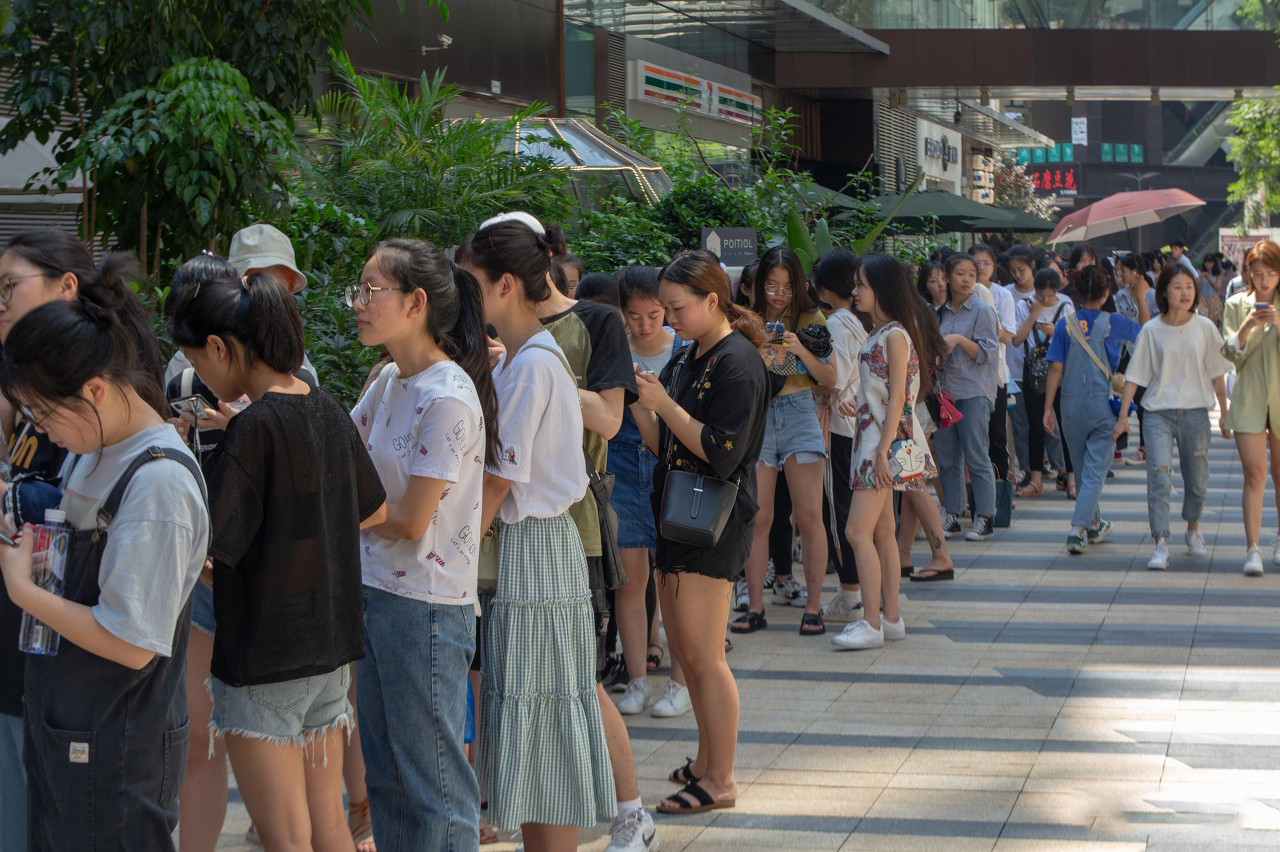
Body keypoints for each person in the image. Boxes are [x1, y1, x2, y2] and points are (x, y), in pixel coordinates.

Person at [165, 255, 388, 851]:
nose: (202, 378)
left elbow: (214, 552)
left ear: (219, 346)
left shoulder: (252, 428)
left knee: (286, 839)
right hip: (330, 656)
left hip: (263, 660)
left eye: (195, 363)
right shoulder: (327, 408)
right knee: (330, 827)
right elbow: (376, 511)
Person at [0, 296, 208, 851]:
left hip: (117, 754)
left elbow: (130, 641)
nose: (42, 431)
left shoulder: (158, 483)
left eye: (44, 414)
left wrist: (23, 589)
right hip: (72, 735)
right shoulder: (94, 447)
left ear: (93, 389)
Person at [457, 221, 616, 850]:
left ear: (503, 286)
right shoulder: (529, 357)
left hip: (536, 551)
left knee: (540, 718)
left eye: (470, 285)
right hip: (544, 550)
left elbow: (499, 479)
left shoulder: (530, 364)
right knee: (542, 721)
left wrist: (448, 546)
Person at [347, 239, 500, 850]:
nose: (357, 304)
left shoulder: (448, 397)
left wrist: (337, 509)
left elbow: (411, 521)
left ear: (415, 303)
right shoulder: (388, 380)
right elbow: (346, 456)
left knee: (434, 787)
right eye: (357, 290)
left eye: (370, 291)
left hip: (427, 610)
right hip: (376, 592)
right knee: (385, 779)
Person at [630, 249, 769, 815]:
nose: (668, 319)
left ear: (713, 300)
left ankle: (721, 777)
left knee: (705, 657)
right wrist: (643, 403)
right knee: (691, 652)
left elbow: (720, 453)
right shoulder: (691, 356)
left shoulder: (738, 362)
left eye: (676, 308)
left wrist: (662, 402)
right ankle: (708, 760)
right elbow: (666, 443)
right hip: (678, 510)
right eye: (664, 309)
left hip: (712, 519)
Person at [833, 253, 937, 649]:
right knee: (881, 533)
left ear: (883, 288)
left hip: (880, 444)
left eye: (861, 284)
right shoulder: (886, 332)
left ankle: (873, 622)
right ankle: (889, 619)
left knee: (857, 531)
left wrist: (882, 449)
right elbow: (886, 394)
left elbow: (898, 398)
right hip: (878, 440)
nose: (855, 291)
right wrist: (858, 404)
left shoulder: (893, 334)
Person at [731, 246, 835, 637]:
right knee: (759, 518)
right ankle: (755, 605)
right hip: (758, 418)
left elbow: (830, 378)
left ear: (800, 286)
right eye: (771, 285)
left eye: (787, 287)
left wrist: (799, 349)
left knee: (809, 518)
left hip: (798, 412)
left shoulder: (811, 318)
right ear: (757, 285)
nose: (779, 294)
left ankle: (813, 606)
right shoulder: (744, 319)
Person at [1114, 263, 1230, 570]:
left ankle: (1193, 529)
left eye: (1189, 287)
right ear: (1164, 291)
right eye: (1178, 287)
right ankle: (1161, 542)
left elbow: (1218, 374)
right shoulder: (1151, 330)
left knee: (1197, 479)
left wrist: (1225, 412)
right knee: (1159, 476)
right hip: (1157, 414)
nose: (1185, 293)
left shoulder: (1204, 328)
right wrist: (1123, 416)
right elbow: (1135, 376)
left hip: (1195, 412)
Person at [610, 266, 683, 715]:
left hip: (669, 462)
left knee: (670, 576)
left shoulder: (684, 348)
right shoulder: (613, 349)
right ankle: (637, 679)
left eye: (653, 314)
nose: (644, 325)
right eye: (634, 316)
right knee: (631, 577)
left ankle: (680, 680)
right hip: (620, 459)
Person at [1042, 266, 1142, 554]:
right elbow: (1148, 333)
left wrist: (1048, 408)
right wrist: (1141, 293)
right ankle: (1078, 529)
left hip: (1069, 404)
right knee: (1095, 472)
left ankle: (1095, 524)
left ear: (1076, 291)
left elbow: (1055, 368)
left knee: (1084, 469)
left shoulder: (1064, 324)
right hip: (1103, 405)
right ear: (1106, 292)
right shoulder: (1115, 322)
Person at [811, 249, 867, 621]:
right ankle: (863, 591)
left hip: (840, 428)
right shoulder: (860, 322)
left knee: (839, 514)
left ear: (825, 289)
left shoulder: (838, 325)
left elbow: (834, 378)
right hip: (858, 428)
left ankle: (850, 596)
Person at [1221, 239, 1280, 576]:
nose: (1264, 279)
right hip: (1249, 397)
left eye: (1271, 272)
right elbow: (1229, 352)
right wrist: (1247, 326)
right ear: (1249, 274)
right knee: (1254, 473)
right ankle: (1253, 547)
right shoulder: (1235, 304)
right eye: (1258, 273)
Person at [934, 253, 1000, 541]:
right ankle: (953, 513)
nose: (966, 280)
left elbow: (988, 353)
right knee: (948, 458)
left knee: (976, 455)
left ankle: (985, 516)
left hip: (974, 391)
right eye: (960, 273)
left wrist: (959, 341)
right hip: (945, 393)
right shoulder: (940, 313)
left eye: (971, 275)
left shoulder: (982, 311)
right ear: (948, 277)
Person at [1011, 269, 1073, 498]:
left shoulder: (1066, 306)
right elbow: (1016, 340)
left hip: (1062, 372)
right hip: (1033, 374)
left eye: (1050, 295)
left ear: (1057, 291)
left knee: (1065, 425)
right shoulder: (1024, 306)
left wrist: (1056, 331)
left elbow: (1075, 339)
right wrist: (1033, 315)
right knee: (1035, 426)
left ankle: (1071, 477)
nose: (1046, 300)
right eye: (1041, 295)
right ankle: (1035, 479)